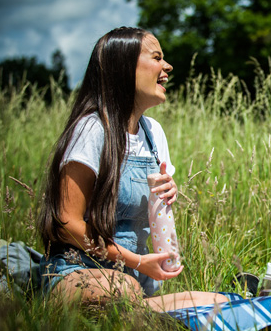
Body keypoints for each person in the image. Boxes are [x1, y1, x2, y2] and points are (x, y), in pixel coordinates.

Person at [37, 27, 228, 311]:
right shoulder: (92, 129)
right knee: (124, 291)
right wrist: (134, 260)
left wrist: (166, 197)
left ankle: (143, 313)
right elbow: (66, 222)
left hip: (134, 280)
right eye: (156, 57)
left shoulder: (153, 133)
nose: (168, 66)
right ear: (123, 68)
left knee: (218, 303)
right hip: (76, 272)